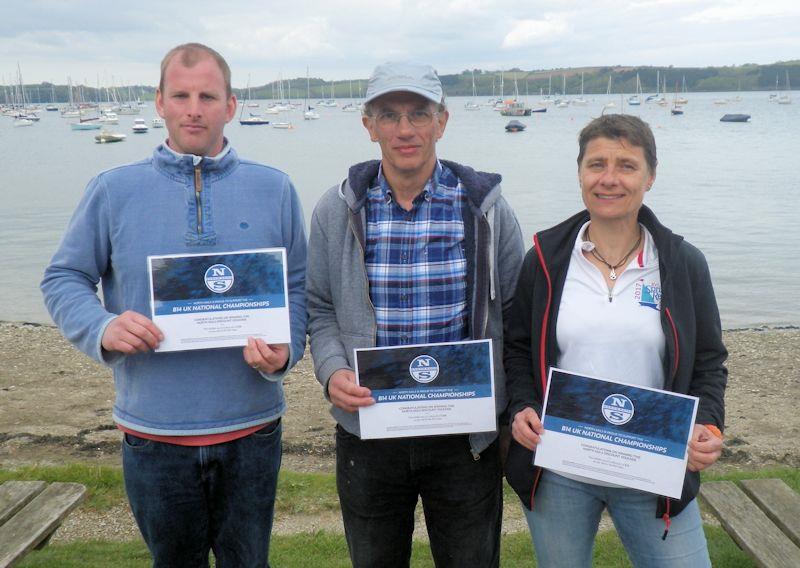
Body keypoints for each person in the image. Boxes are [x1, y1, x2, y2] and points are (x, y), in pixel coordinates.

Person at [41, 43, 307, 566]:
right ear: (159, 102)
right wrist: (102, 325)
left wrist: (287, 350)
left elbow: (297, 286)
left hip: (252, 429)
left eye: (207, 95)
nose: (194, 108)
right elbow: (64, 277)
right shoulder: (114, 190)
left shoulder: (274, 188)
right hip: (154, 435)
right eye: (181, 95)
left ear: (230, 106)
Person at [306, 62, 524, 567]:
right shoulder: (335, 210)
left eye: (418, 114)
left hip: (464, 436)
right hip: (369, 430)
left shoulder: (486, 208)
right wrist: (332, 370)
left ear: (441, 121)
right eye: (389, 115)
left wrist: (511, 407)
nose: (405, 129)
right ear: (369, 125)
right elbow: (319, 307)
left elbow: (514, 310)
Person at [504, 114, 727, 567]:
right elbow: (519, 349)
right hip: (561, 466)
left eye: (626, 165)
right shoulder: (545, 260)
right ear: (580, 172)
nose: (609, 179)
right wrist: (521, 407)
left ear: (650, 177)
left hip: (654, 464)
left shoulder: (682, 264)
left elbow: (708, 361)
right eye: (596, 164)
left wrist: (707, 424)